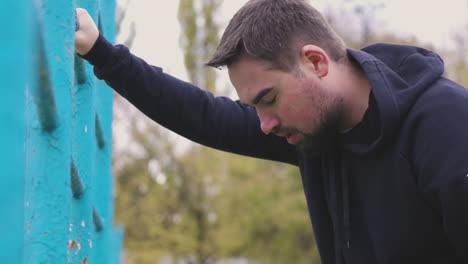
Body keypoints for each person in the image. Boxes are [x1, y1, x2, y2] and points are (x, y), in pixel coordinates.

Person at [75, 0, 468, 263]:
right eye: (254, 108)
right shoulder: (319, 131)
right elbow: (203, 115)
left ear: (315, 62)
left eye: (269, 98)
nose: (265, 124)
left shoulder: (446, 127)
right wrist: (101, 53)